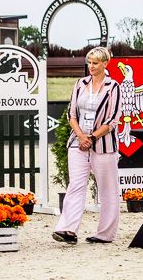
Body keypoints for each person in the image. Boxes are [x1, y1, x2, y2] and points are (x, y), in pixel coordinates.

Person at [53, 46, 123, 244]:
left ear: (105, 64)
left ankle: (105, 234)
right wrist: (80, 136)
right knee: (75, 185)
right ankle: (67, 229)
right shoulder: (80, 84)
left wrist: (91, 138)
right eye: (89, 63)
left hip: (104, 145)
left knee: (108, 189)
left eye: (95, 63)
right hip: (78, 142)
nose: (91, 67)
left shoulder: (113, 87)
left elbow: (112, 120)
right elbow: (71, 114)